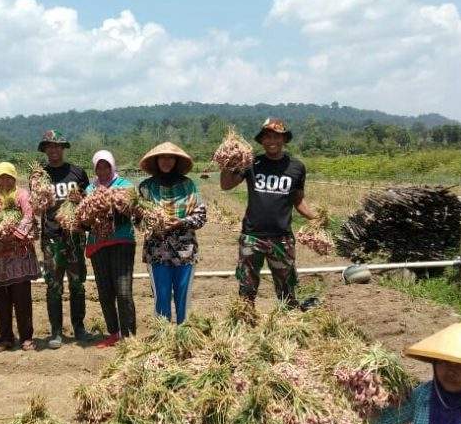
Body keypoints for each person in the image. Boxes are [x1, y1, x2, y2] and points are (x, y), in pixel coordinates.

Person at [219, 118, 316, 309]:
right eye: (268, 137)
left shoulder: (296, 167)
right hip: (252, 237)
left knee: (287, 286)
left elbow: (298, 200)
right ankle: (246, 320)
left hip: (282, 238)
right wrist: (226, 163)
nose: (272, 141)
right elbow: (226, 185)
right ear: (262, 141)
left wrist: (316, 217)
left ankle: (289, 323)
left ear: (284, 140)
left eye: (277, 137)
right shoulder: (251, 163)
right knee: (247, 286)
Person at [137, 142, 207, 324]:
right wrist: (152, 221)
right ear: (156, 161)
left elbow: (201, 216)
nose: (167, 161)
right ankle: (164, 335)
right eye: (163, 157)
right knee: (161, 295)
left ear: (176, 161)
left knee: (183, 295)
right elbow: (137, 221)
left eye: (171, 158)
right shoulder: (146, 188)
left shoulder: (188, 185)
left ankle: (184, 331)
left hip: (185, 251)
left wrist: (181, 222)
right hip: (157, 252)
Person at [37, 130, 93, 348]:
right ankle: (56, 332)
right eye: (49, 146)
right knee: (53, 285)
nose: (54, 150)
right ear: (45, 150)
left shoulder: (77, 173)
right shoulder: (40, 175)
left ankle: (79, 327)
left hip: (75, 236)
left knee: (77, 283)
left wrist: (81, 200)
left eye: (57, 146)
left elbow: (89, 203)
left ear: (63, 148)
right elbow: (35, 204)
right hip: (52, 237)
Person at [0, 162, 39, 351]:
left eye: (8, 177)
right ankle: (6, 338)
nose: (4, 181)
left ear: (13, 178)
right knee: (1, 300)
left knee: (22, 298)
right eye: (1, 178)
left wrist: (15, 234)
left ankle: (26, 338)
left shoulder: (22, 195)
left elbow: (29, 215)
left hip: (19, 256)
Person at [84, 150, 136, 347]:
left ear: (112, 166)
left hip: (121, 242)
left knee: (123, 291)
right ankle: (113, 333)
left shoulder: (126, 186)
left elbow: (130, 207)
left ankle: (129, 335)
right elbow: (87, 216)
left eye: (106, 166)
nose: (103, 170)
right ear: (95, 168)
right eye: (99, 166)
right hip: (98, 245)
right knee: (105, 293)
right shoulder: (90, 189)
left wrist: (111, 200)